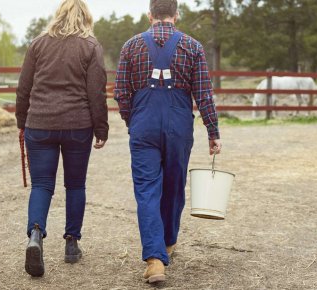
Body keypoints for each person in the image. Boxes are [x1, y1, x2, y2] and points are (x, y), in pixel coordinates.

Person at [114, 0, 222, 283]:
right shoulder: (193, 46)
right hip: (178, 125)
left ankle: (155, 259)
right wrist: (213, 131)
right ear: (176, 15)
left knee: (147, 190)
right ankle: (168, 243)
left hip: (143, 124)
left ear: (150, 15)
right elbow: (204, 94)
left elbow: (121, 93)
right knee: (174, 186)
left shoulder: (131, 46)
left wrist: (133, 121)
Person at [16, 0, 108, 278]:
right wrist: (101, 129)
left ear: (58, 16)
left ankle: (35, 234)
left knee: (42, 185)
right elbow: (97, 93)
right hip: (77, 125)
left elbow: (24, 87)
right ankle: (71, 244)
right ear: (86, 18)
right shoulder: (91, 46)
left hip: (40, 124)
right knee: (75, 184)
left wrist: (22, 122)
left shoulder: (38, 44)